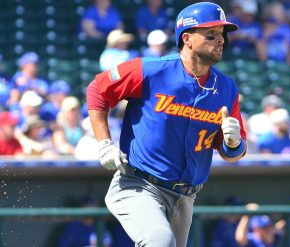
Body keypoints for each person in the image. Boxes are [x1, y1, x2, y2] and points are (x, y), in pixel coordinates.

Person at [86, 2, 247, 246]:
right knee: (160, 241)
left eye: (222, 34)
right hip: (139, 184)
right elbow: (97, 89)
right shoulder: (151, 70)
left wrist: (233, 142)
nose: (220, 40)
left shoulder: (226, 88)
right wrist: (105, 143)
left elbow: (233, 154)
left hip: (186, 198)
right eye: (211, 34)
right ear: (187, 39)